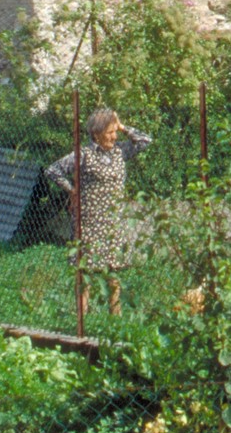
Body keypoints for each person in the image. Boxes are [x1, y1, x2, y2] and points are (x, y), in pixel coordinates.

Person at [44, 107, 152, 317]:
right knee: (85, 271)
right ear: (96, 134)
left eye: (115, 132)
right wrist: (72, 190)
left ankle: (115, 317)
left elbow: (145, 141)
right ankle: (81, 319)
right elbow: (53, 170)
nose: (114, 136)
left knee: (113, 271)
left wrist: (121, 126)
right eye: (110, 132)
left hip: (113, 221)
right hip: (89, 221)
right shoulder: (84, 155)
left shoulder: (120, 151)